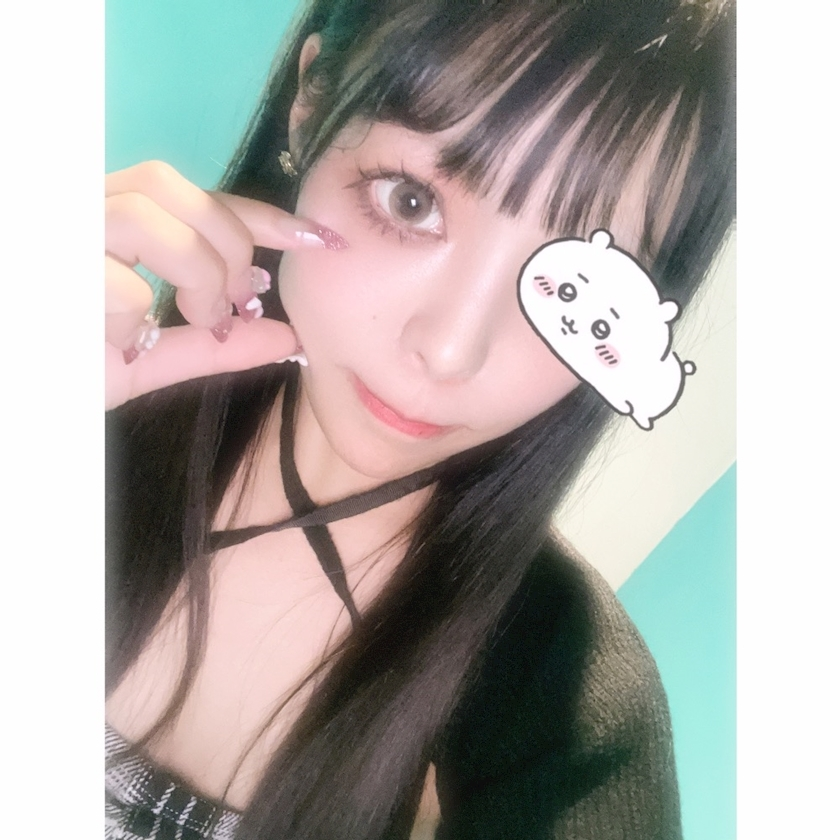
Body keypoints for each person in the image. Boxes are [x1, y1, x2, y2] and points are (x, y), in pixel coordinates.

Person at [104, 0, 735, 838]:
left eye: (577, 301)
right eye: (410, 201)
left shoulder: (562, 716)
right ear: (311, 103)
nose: (449, 352)